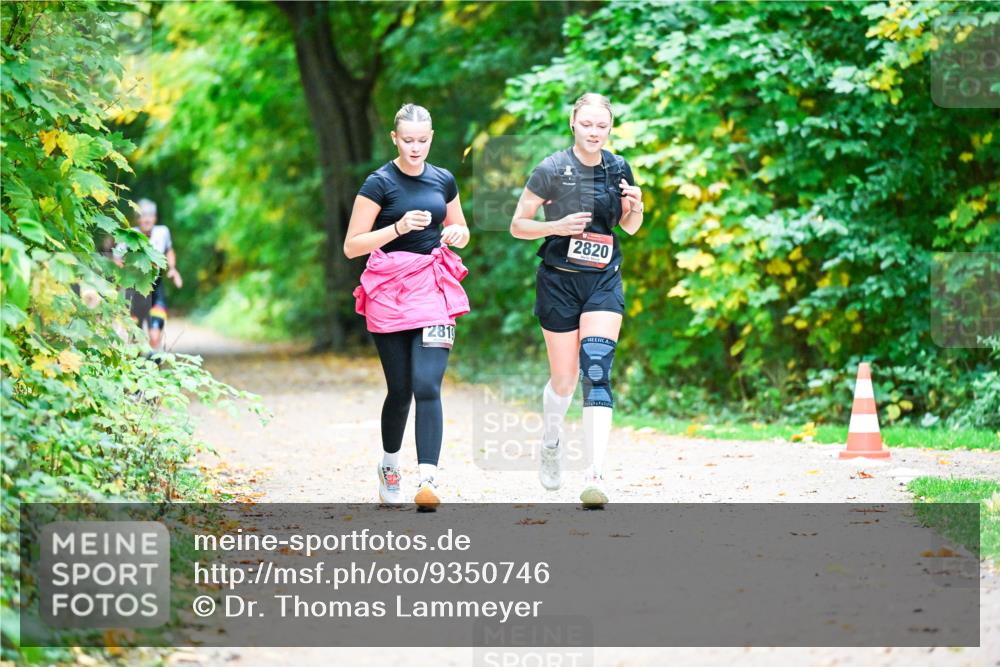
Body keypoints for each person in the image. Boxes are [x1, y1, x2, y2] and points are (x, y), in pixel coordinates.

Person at [509, 93, 644, 508]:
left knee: (597, 370)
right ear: (573, 123)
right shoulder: (551, 169)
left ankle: (595, 473)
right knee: (565, 380)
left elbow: (631, 227)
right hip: (559, 283)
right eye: (587, 124)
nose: (594, 132)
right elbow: (517, 225)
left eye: (601, 126)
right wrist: (558, 227)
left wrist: (636, 207)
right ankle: (551, 441)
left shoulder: (618, 167)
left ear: (609, 128)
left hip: (603, 280)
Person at [345, 103, 471, 511]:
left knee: (427, 386)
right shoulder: (379, 183)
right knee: (400, 391)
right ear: (395, 139)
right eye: (408, 140)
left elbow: (462, 228)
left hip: (433, 288)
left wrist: (456, 233)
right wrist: (397, 228)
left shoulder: (443, 179)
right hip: (389, 290)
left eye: (423, 140)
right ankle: (389, 466)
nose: (416, 148)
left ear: (431, 137)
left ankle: (428, 479)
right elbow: (352, 246)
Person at [115, 198, 183, 353]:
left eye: (149, 216)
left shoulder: (163, 232)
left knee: (154, 335)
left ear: (155, 218)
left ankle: (154, 365)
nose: (146, 219)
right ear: (136, 219)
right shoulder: (129, 235)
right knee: (134, 335)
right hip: (134, 290)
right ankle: (137, 370)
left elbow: (169, 250)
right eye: (142, 216)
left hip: (156, 287)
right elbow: (117, 259)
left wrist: (172, 269)